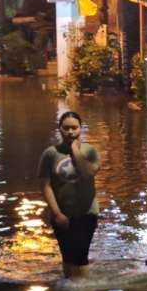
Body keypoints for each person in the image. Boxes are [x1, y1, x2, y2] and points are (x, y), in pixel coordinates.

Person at [38, 111, 101, 279]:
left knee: (80, 255)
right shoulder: (50, 154)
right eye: (66, 128)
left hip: (87, 213)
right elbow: (45, 185)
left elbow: (88, 173)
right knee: (67, 256)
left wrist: (75, 151)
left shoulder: (90, 151)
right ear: (59, 129)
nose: (70, 132)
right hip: (61, 214)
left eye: (74, 128)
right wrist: (57, 214)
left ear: (81, 129)